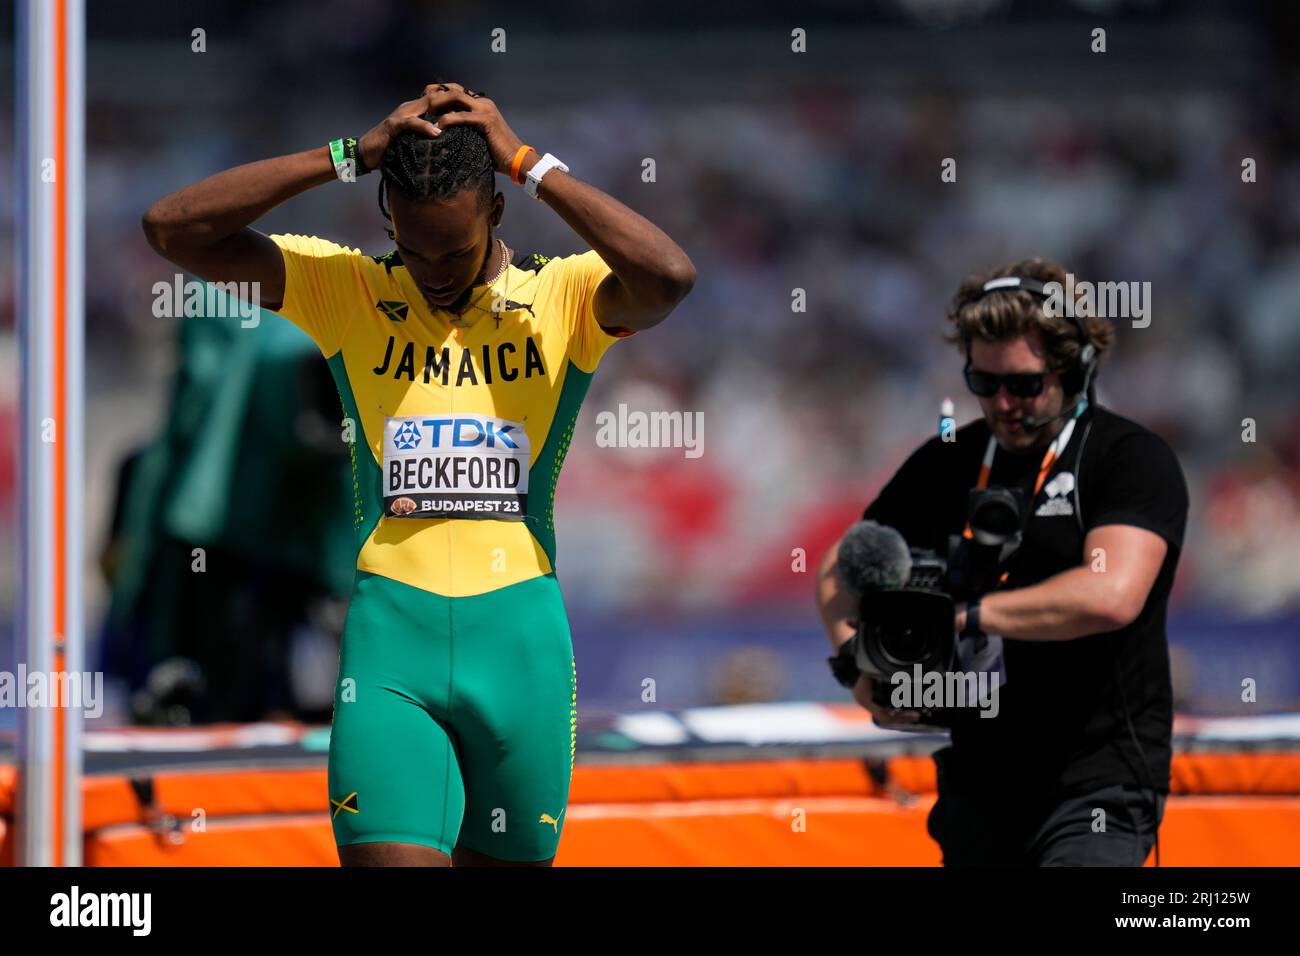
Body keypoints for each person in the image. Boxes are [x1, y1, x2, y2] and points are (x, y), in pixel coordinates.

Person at [142, 82, 696, 866]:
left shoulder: (561, 296)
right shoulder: (351, 290)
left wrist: (529, 162)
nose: (434, 272)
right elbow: (173, 229)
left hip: (521, 648)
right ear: (386, 222)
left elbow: (668, 276)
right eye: (414, 247)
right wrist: (348, 155)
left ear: (497, 211)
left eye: (455, 251)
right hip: (388, 651)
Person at [816, 259, 1188, 866]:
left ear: (1074, 368)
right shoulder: (948, 458)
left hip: (1098, 786)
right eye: (983, 384)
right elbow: (842, 564)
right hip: (978, 784)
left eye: (1023, 384)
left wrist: (967, 617)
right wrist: (856, 670)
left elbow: (1111, 595)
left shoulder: (1129, 457)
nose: (1003, 403)